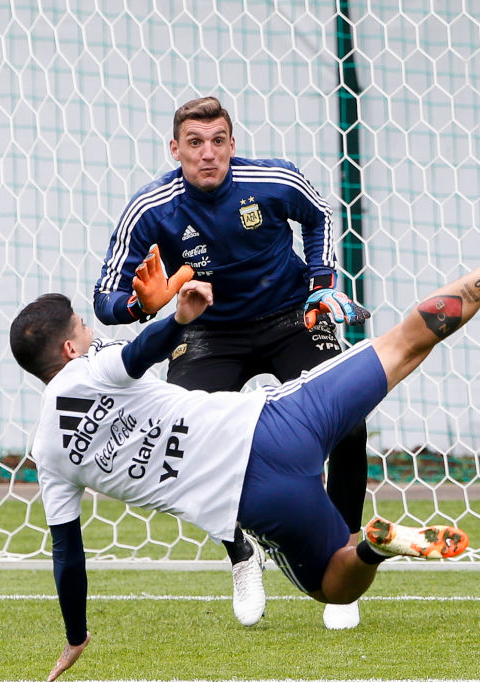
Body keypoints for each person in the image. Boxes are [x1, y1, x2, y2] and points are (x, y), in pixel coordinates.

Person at [11, 199, 480, 682]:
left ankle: (374, 547)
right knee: (405, 341)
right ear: (67, 350)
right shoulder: (92, 369)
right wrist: (175, 317)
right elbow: (144, 351)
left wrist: (76, 635)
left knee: (332, 587)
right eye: (83, 330)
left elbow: (68, 552)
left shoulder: (47, 454)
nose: (90, 335)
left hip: (254, 502)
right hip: (277, 423)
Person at [92, 96, 371, 630]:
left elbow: (319, 219)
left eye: (218, 141)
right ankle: (242, 556)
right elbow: (105, 296)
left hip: (292, 317)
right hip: (207, 333)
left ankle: (343, 560)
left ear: (232, 145)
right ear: (175, 149)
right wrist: (141, 305)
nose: (207, 154)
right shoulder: (151, 209)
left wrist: (319, 286)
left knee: (349, 428)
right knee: (197, 443)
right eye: (194, 143)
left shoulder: (274, 180)